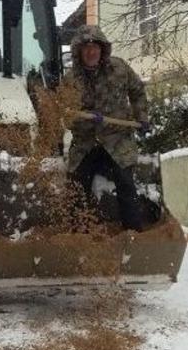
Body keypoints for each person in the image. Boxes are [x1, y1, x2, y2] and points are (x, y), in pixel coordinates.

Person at [64, 25, 153, 231]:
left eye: (95, 46)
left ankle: (132, 233)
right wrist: (86, 120)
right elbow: (65, 117)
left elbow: (137, 91)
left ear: (103, 49)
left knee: (125, 182)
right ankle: (80, 235)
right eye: (86, 47)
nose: (91, 51)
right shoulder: (70, 80)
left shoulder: (119, 69)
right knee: (76, 185)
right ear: (79, 51)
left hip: (117, 140)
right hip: (86, 143)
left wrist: (142, 117)